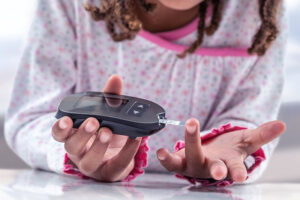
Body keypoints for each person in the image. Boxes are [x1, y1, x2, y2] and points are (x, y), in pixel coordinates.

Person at [5, 0, 287, 186]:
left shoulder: (260, 14)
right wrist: (74, 151)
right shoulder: (71, 5)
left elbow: (251, 123)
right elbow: (30, 118)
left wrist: (227, 150)